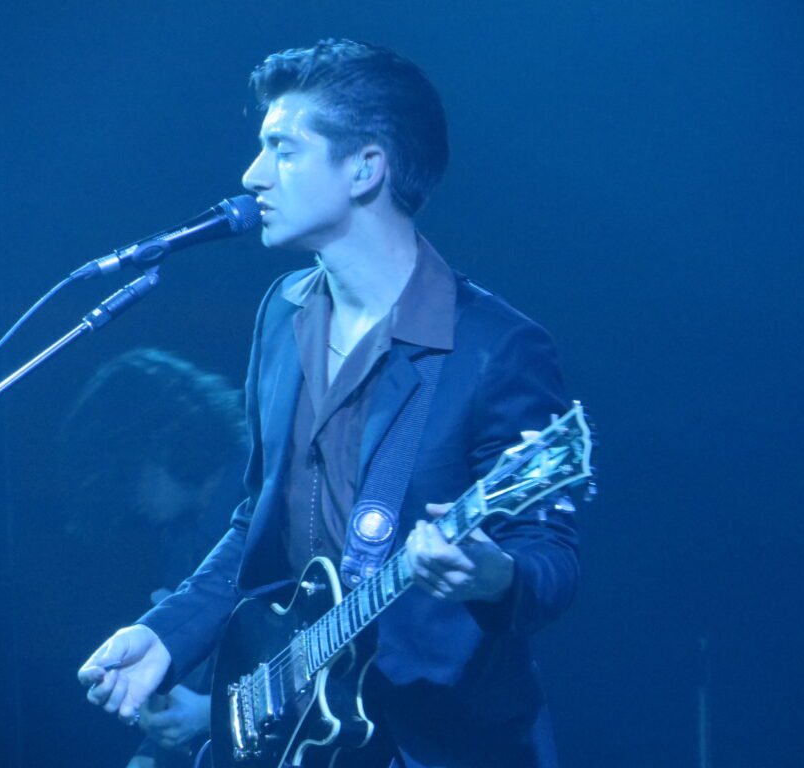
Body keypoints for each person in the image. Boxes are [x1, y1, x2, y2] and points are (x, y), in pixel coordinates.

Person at [79, 39, 579, 768]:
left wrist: (494, 573)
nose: (252, 175)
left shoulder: (494, 347)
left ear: (365, 168)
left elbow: (552, 556)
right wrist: (166, 634)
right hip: (311, 727)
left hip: (444, 739)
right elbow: (256, 519)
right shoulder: (283, 313)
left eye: (282, 149)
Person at [63, 348, 247, 768]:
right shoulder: (180, 538)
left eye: (130, 473)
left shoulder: (259, 491)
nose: (128, 499)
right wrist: (153, 745)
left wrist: (210, 715)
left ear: (165, 440)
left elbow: (302, 638)